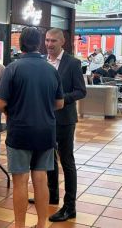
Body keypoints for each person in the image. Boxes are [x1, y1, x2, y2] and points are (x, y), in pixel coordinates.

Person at [0, 27, 64, 228]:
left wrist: (12, 112)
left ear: (20, 44)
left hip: (20, 130)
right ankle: (42, 223)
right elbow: (59, 103)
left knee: (20, 180)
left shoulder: (13, 69)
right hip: (46, 131)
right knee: (41, 178)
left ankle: (20, 225)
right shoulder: (51, 70)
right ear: (40, 44)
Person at [29, 28, 87, 222]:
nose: (49, 44)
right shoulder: (43, 62)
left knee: (66, 161)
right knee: (48, 158)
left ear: (63, 42)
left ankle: (70, 206)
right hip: (45, 119)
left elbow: (81, 91)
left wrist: (62, 99)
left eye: (53, 41)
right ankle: (51, 194)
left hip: (64, 120)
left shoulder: (73, 63)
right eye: (46, 40)